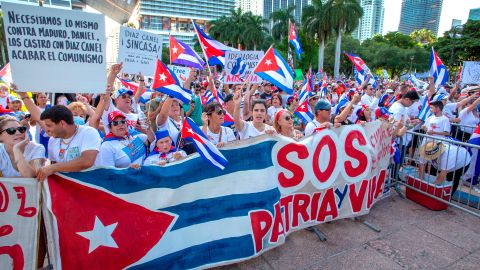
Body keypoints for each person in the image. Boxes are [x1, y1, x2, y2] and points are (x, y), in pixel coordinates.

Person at [35, 105, 102, 180]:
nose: (46, 130)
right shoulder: (53, 140)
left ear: (62, 123)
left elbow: (87, 161)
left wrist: (53, 168)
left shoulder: (89, 132)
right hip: (67, 188)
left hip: (91, 186)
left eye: (49, 125)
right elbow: (54, 167)